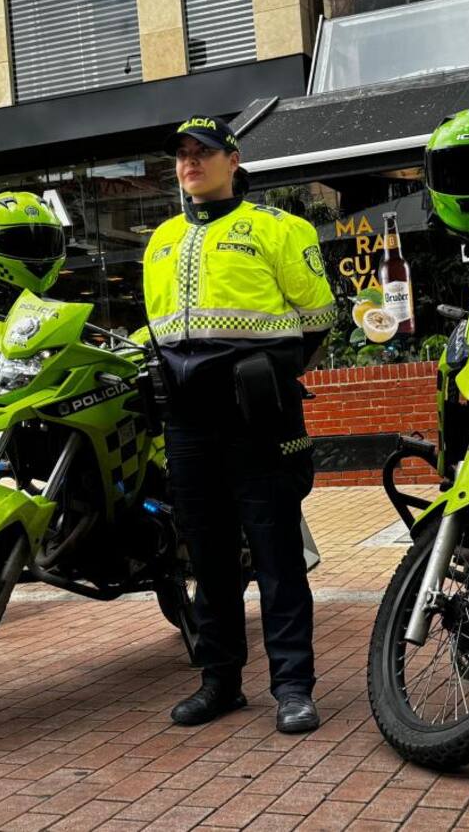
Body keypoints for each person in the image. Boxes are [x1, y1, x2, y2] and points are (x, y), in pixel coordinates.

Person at [142, 116, 335, 733]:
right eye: (182, 155)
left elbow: (318, 317)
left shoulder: (279, 227)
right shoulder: (162, 240)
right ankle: (220, 682)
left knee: (277, 554)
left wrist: (270, 380)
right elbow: (158, 330)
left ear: (234, 158)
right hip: (187, 421)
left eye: (203, 152)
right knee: (209, 558)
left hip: (258, 417)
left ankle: (293, 687)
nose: (190, 162)